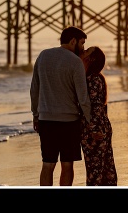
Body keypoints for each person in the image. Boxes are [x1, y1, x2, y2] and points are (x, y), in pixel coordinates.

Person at [30, 27, 91, 186]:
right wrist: (90, 120)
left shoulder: (43, 56)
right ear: (73, 41)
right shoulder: (75, 61)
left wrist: (35, 115)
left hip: (46, 119)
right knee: (67, 164)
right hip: (69, 122)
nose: (83, 48)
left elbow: (34, 89)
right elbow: (82, 97)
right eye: (82, 43)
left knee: (48, 164)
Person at [80, 48, 117, 186]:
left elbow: (96, 106)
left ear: (91, 59)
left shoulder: (92, 79)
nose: (83, 50)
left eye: (87, 51)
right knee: (106, 168)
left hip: (94, 130)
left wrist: (94, 129)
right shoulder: (96, 77)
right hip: (101, 126)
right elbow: (102, 107)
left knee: (95, 170)